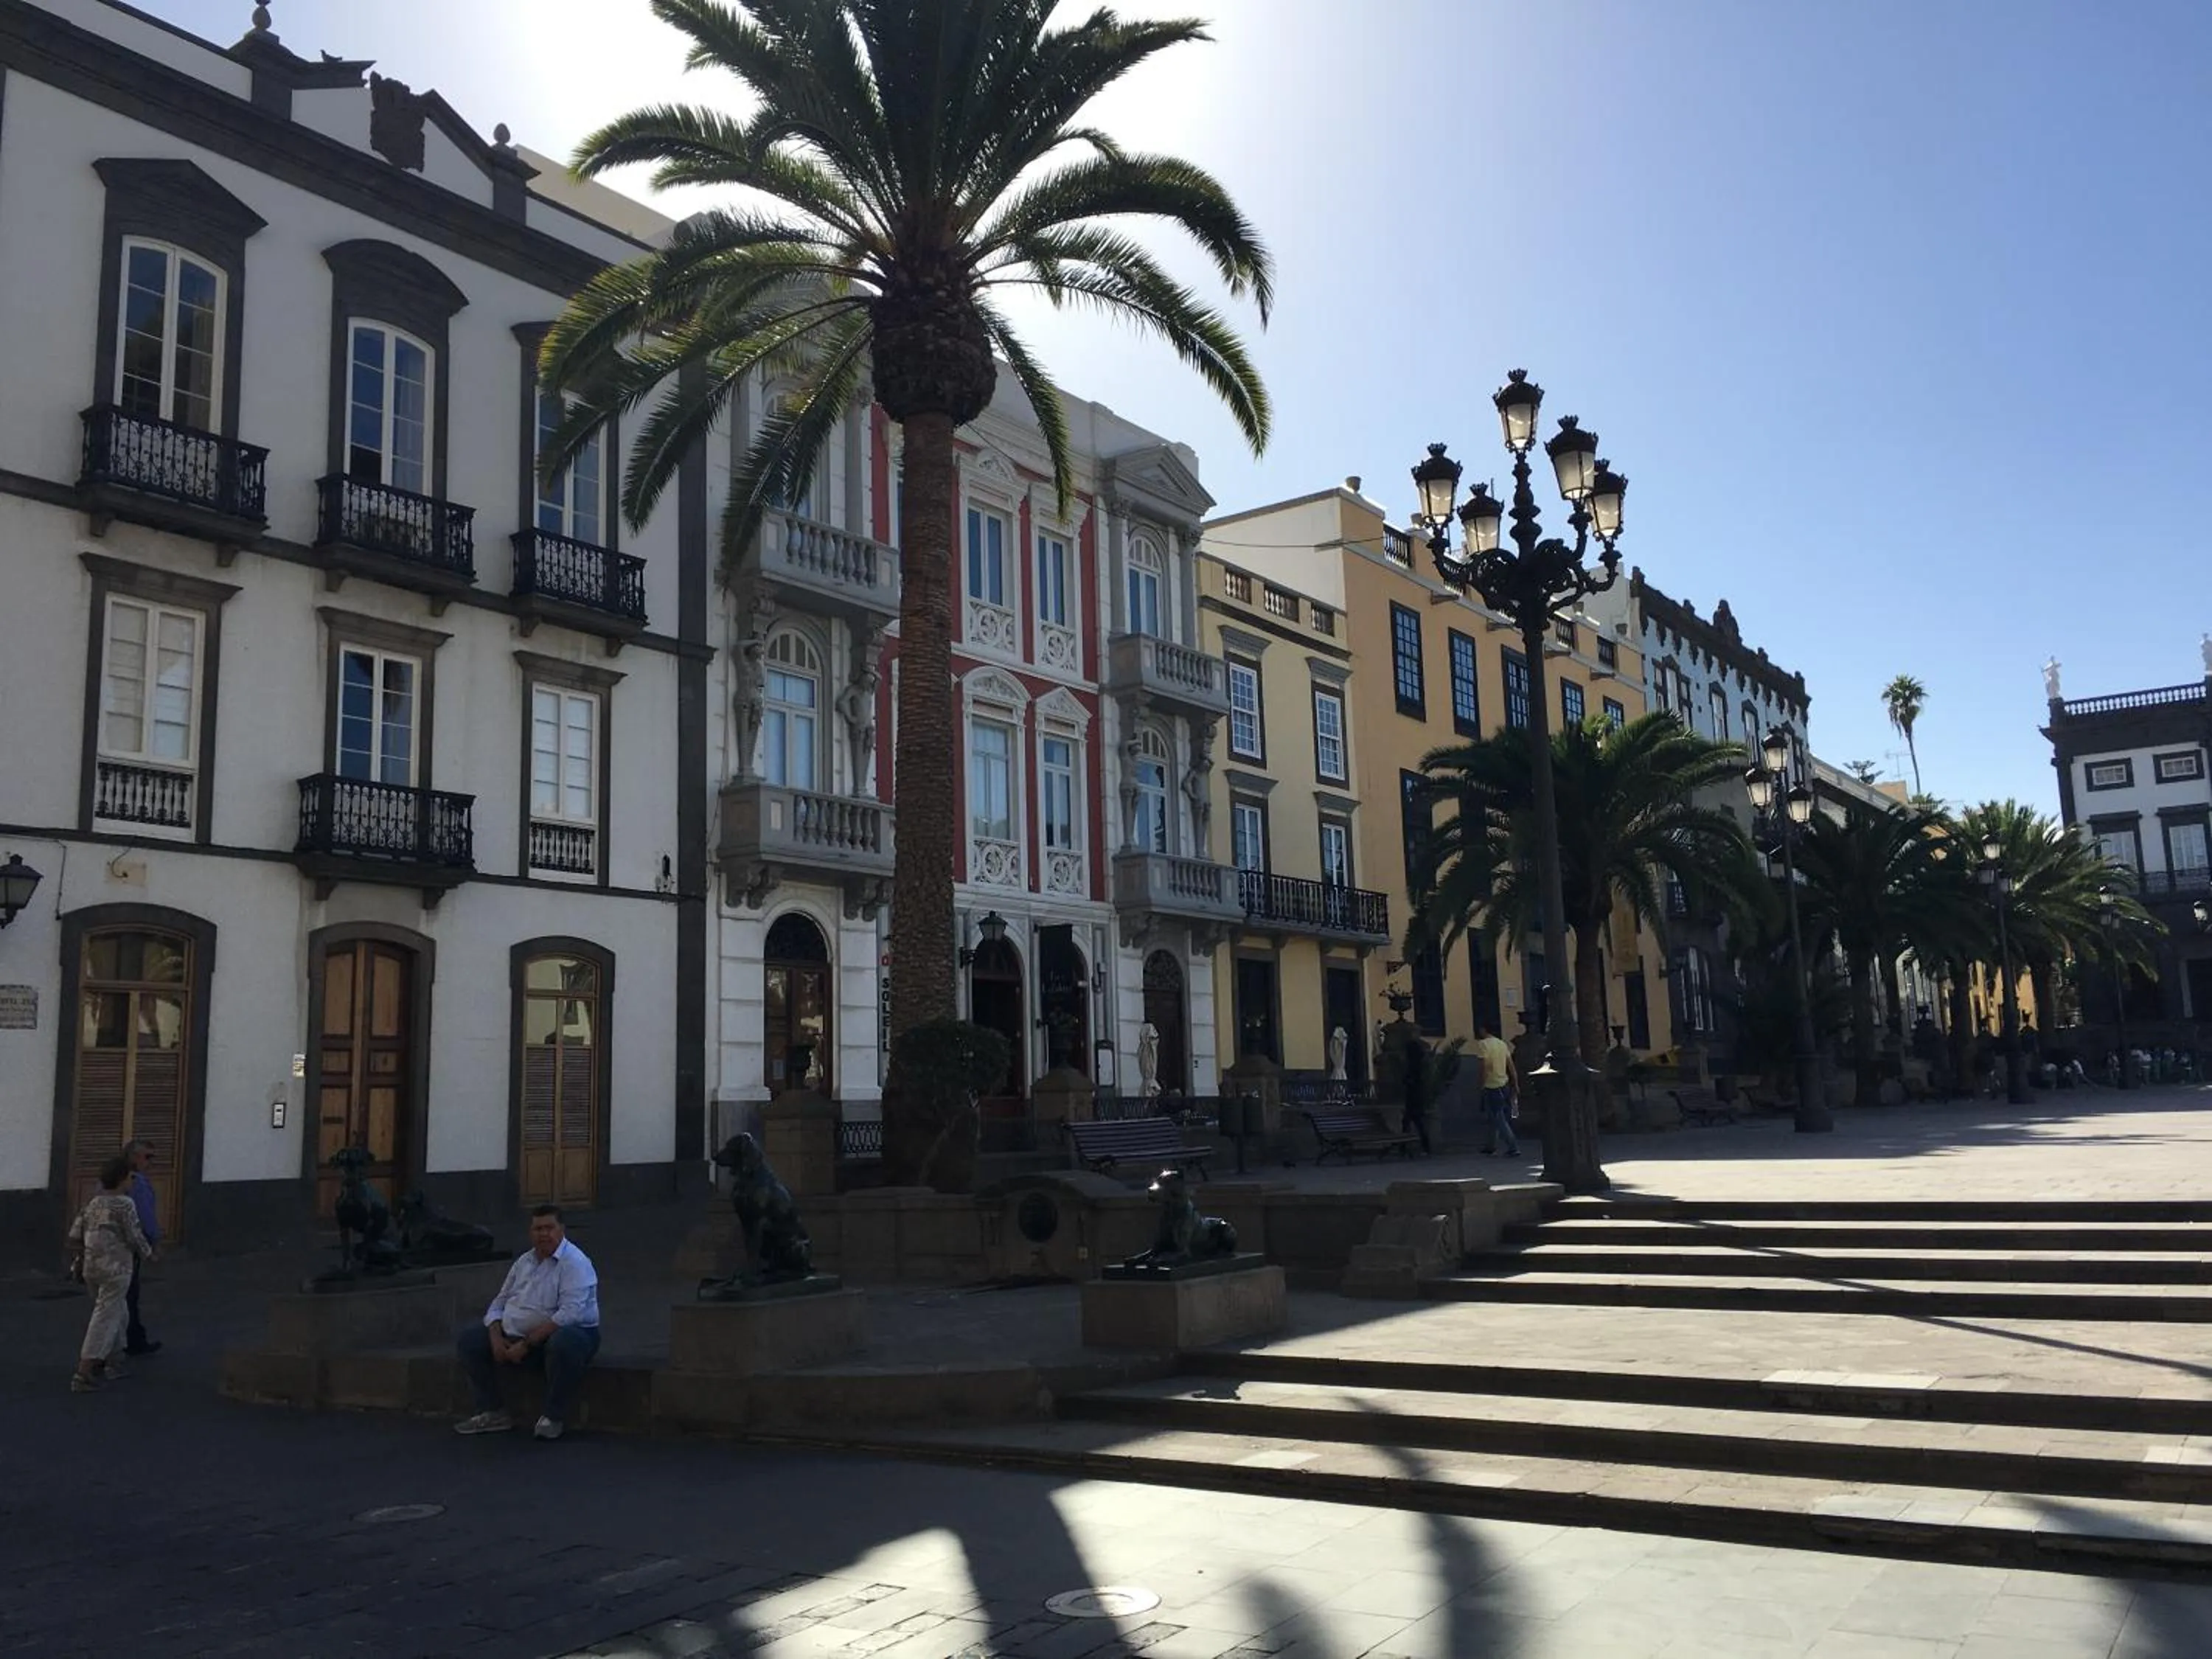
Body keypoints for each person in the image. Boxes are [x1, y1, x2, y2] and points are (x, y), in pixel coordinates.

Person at [454, 1204, 599, 1441]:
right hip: (515, 1334)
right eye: (537, 1229)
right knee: (470, 1339)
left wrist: (528, 1343)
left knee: (565, 1344)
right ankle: (492, 1411)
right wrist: (495, 1337)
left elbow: (569, 1314)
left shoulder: (575, 1263)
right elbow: (500, 1301)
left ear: (562, 1230)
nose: (543, 1234)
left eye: (549, 1228)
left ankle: (553, 1416)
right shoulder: (524, 1261)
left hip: (567, 1334)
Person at [66, 1155, 153, 1393]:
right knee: (105, 1315)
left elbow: (75, 1235)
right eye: (130, 1177)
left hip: (92, 1267)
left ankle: (114, 1360)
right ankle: (84, 1370)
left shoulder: (93, 1203)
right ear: (123, 1178)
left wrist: (82, 1256)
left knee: (118, 1311)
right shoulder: (125, 1204)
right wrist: (149, 1254)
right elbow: (134, 1235)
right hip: (117, 1268)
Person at [120, 1138, 162, 1357]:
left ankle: (133, 1337)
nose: (151, 1162)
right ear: (134, 1157)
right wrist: (154, 1242)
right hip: (127, 1248)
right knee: (128, 1295)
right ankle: (128, 1342)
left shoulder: (108, 1181)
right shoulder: (137, 1183)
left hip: (106, 1250)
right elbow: (145, 1217)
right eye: (148, 1157)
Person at [1472, 1020, 1520, 1157]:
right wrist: (1515, 1083)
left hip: (1491, 1085)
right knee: (1495, 1117)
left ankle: (1513, 1146)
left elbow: (1485, 1066)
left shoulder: (1483, 1044)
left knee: (1498, 1118)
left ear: (1483, 1030)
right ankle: (1491, 1145)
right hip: (1504, 1083)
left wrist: (1481, 1083)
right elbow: (1510, 1065)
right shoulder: (1502, 1044)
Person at [1398, 1031, 1434, 1155]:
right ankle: (1414, 1147)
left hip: (1413, 1098)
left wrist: (1406, 1081)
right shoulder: (1420, 1063)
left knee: (1411, 1122)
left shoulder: (1412, 1066)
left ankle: (1405, 1147)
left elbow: (1409, 1080)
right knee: (1415, 1123)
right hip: (1418, 1097)